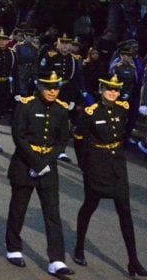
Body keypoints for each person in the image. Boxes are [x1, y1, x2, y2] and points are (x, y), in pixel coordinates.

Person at [72, 74, 147, 276]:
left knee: (125, 210)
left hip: (116, 164)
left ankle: (133, 260)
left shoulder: (122, 108)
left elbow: (122, 133)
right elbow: (79, 141)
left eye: (116, 90)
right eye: (109, 89)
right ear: (101, 90)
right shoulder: (90, 112)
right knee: (90, 205)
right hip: (96, 164)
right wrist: (84, 166)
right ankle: (79, 247)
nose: (113, 93)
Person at [5, 71, 74, 277]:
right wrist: (36, 162)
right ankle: (13, 248)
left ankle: (57, 259)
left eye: (56, 87)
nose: (53, 91)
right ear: (39, 86)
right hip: (25, 164)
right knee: (18, 209)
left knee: (52, 214)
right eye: (48, 87)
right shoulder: (26, 105)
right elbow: (19, 136)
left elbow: (62, 140)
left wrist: (46, 161)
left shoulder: (61, 110)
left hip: (48, 166)